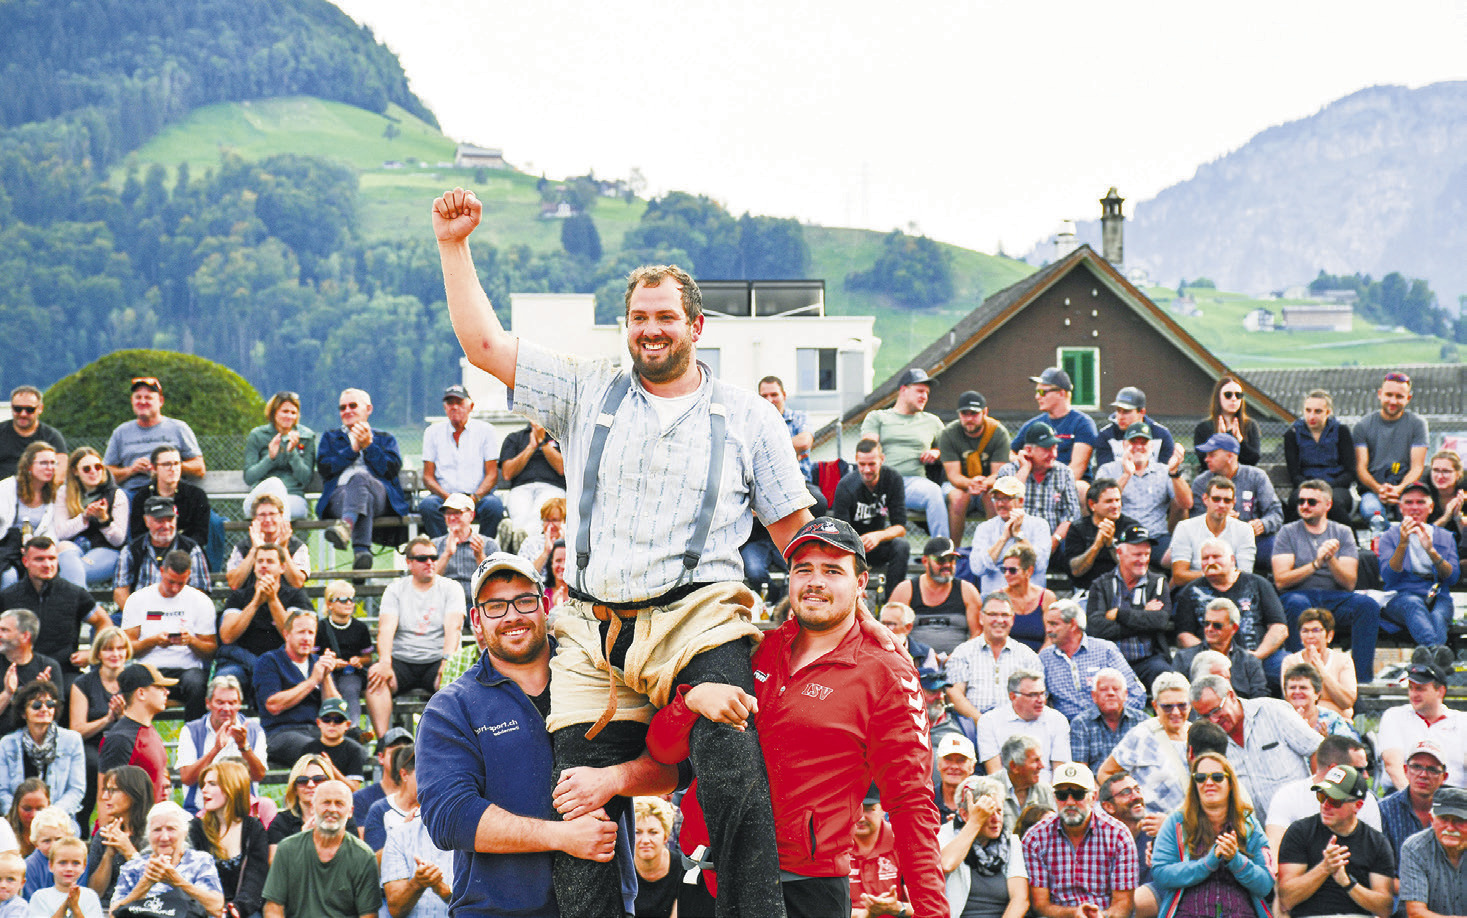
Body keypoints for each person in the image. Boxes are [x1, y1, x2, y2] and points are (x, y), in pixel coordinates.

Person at [438, 193, 816, 914]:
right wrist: (453, 245)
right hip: (592, 631)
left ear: (695, 327)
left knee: (730, 763)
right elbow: (484, 347)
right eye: (638, 318)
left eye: (665, 317)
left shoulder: (748, 415)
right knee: (580, 814)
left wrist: (839, 617)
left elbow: (795, 534)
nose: (650, 330)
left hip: (699, 619)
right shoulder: (586, 389)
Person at [646, 517, 946, 917]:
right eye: (803, 569)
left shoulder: (887, 673)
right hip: (707, 878)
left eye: (832, 570)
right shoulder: (750, 648)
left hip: (802, 890)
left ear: (861, 584)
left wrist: (933, 912)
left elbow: (911, 803)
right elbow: (663, 750)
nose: (815, 581)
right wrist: (691, 701)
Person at [416, 552, 673, 918]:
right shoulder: (452, 707)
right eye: (495, 606)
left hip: (607, 903)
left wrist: (615, 778)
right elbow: (450, 818)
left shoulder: (602, 677)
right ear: (476, 619)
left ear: (545, 604)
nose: (512, 616)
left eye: (524, 600)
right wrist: (563, 837)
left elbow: (676, 767)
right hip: (496, 912)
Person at [1272, 481, 1379, 685]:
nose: (1304, 505)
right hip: (1300, 594)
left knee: (1367, 606)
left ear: (1327, 505)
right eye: (1300, 501)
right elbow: (1281, 580)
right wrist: (1315, 564)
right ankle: (1301, 674)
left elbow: (1349, 583)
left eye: (1312, 502)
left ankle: (1359, 681)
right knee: (1295, 604)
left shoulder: (1343, 532)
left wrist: (1330, 560)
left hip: (1335, 597)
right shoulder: (1287, 532)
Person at [363, 536, 465, 737]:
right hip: (402, 660)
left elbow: (454, 628)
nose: (429, 562)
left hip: (437, 658)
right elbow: (386, 629)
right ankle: (386, 744)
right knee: (375, 679)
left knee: (453, 682)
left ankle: (447, 744)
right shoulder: (395, 589)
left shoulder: (451, 587)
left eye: (433, 557)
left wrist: (447, 660)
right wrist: (384, 662)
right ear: (409, 562)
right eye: (422, 558)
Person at [1150, 753, 1274, 918]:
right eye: (1200, 778)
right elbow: (1161, 874)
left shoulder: (1249, 825)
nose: (1208, 783)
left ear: (1230, 784)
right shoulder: (1176, 823)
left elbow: (1265, 884)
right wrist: (1206, 864)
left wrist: (1235, 860)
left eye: (1217, 777)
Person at [1188, 674, 1321, 823]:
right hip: (1252, 834)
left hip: (1302, 820)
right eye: (1205, 716)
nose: (1213, 720)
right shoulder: (1207, 737)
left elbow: (1318, 749)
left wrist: (1317, 799)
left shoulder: (1272, 711)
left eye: (1216, 711)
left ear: (1231, 696)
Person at [1020, 761, 1137, 918]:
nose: (1069, 802)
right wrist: (1074, 914)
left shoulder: (1119, 835)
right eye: (1062, 795)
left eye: (1078, 794)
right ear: (1054, 797)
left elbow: (1124, 904)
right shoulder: (1035, 838)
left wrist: (1101, 916)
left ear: (1093, 796)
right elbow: (1040, 905)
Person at [1277, 764, 1395, 917]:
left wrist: (1348, 883)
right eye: (1322, 796)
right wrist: (1324, 868)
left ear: (1357, 805)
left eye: (1335, 801)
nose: (1325, 805)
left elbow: (1385, 908)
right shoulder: (1299, 832)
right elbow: (1286, 899)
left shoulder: (1376, 842)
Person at [317, 388, 411, 570]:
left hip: (380, 497)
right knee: (361, 496)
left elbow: (390, 471)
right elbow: (325, 469)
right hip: (339, 498)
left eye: (353, 405)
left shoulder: (384, 438)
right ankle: (362, 553)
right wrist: (351, 450)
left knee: (360, 479)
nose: (347, 411)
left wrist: (369, 446)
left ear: (368, 409)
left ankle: (346, 527)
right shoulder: (330, 438)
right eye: (342, 407)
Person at [119, 550, 216, 720]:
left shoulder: (200, 601)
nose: (175, 588)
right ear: (161, 571)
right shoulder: (138, 599)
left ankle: (193, 738)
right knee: (134, 683)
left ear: (189, 576)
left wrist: (191, 641)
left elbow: (211, 649)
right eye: (170, 582)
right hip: (149, 669)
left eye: (181, 583)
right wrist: (153, 641)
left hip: (187, 670)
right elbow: (127, 649)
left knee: (197, 684)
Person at [1175, 542, 1287, 688]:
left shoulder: (1258, 583)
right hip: (1211, 662)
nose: (1210, 562)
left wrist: (1255, 656)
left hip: (1261, 657)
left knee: (1288, 670)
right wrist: (1216, 657)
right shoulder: (1191, 590)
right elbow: (1183, 636)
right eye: (1205, 558)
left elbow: (1279, 628)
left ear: (1232, 560)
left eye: (1216, 557)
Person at [262, 780, 377, 918]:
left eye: (339, 803)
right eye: (326, 802)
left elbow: (368, 915)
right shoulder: (287, 849)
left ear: (350, 811)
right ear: (312, 807)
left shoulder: (363, 856)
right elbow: (273, 907)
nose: (332, 809)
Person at [0, 538, 108, 682]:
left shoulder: (75, 594)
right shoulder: (8, 596)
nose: (47, 565)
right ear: (26, 562)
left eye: (52, 558)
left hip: (65, 673)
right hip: (17, 674)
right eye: (40, 559)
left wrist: (92, 653)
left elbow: (104, 622)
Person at [215, 545, 312, 699]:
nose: (264, 565)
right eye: (260, 561)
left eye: (270, 561)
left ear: (282, 567)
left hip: (282, 663)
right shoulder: (239, 597)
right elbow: (227, 636)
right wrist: (255, 603)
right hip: (241, 665)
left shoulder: (296, 596)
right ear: (254, 568)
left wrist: (273, 600)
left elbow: (293, 635)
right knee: (224, 680)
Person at [861, 367, 949, 538]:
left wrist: (936, 453)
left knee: (934, 492)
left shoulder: (932, 421)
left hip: (914, 483)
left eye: (927, 393)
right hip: (882, 482)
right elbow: (868, 448)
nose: (924, 396)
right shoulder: (878, 417)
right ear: (903, 390)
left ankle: (941, 551)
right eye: (920, 391)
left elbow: (950, 452)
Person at [1084, 525, 1173, 687]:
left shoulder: (1158, 582)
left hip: (1148, 661)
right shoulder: (1100, 584)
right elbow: (1096, 628)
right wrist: (1143, 616)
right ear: (1119, 553)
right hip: (1108, 661)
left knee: (1167, 677)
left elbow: (1160, 621)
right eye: (1137, 554)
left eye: (1147, 554)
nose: (1143, 560)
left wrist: (1119, 615)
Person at [1098, 673, 1194, 819]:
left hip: (1191, 823)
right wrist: (1130, 812)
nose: (1176, 712)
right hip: (1150, 826)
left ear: (1191, 704)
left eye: (1182, 705)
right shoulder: (1141, 735)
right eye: (1167, 707)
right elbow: (1105, 773)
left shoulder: (1197, 733)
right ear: (1155, 706)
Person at [1264, 735, 1381, 854]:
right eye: (1359, 770)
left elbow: (1374, 853)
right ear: (1335, 770)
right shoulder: (1288, 796)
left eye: (1368, 768)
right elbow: (1275, 850)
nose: (1366, 776)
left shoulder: (1366, 799)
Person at [254, 612, 340, 768]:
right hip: (281, 732)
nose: (306, 638)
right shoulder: (269, 661)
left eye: (311, 632)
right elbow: (273, 705)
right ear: (286, 634)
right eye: (301, 632)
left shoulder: (316, 662)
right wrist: (313, 681)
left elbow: (336, 710)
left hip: (316, 729)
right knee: (315, 751)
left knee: (353, 748)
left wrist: (326, 675)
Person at [944, 594, 1041, 730]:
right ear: (981, 618)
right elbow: (954, 694)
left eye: (1005, 615)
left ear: (1012, 619)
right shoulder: (963, 652)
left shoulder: (1027, 656)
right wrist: (982, 722)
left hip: (1017, 726)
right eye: (993, 614)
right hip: (972, 726)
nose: (999, 620)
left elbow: (1036, 698)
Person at [1380, 480, 1459, 646]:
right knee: (1413, 604)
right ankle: (1436, 653)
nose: (1414, 507)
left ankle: (1430, 662)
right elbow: (1389, 578)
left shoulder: (1444, 536)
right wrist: (1402, 544)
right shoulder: (1389, 535)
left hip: (1438, 596)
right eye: (1408, 502)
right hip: (1401, 596)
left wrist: (1431, 551)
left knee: (1437, 617)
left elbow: (1452, 578)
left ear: (1430, 508)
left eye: (1421, 502)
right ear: (1401, 508)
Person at [110, 802, 224, 918]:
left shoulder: (199, 862)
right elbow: (113, 915)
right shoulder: (133, 867)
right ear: (148, 835)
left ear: (184, 832)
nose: (164, 837)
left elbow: (216, 908)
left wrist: (178, 882)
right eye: (157, 830)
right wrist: (145, 883)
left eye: (171, 829)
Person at [419, 385, 504, 540]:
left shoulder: (486, 431)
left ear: (470, 406)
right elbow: (428, 477)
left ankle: (483, 552)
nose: (455, 407)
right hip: (444, 496)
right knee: (427, 506)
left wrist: (473, 499)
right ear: (445, 408)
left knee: (494, 506)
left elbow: (492, 474)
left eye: (459, 402)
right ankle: (444, 550)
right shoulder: (432, 433)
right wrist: (449, 499)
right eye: (450, 403)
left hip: (477, 496)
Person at [1036, 600, 1146, 719]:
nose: (1048, 630)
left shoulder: (1105, 650)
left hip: (1109, 723)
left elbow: (1137, 693)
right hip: (1067, 728)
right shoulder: (1045, 657)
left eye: (1054, 624)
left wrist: (1113, 717)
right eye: (1047, 624)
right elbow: (1038, 700)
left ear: (1073, 624)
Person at [1094, 422, 1189, 559]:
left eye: (1144, 442)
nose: (1139, 446)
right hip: (1121, 535)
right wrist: (1127, 475)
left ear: (1151, 446)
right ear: (1124, 445)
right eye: (1133, 442)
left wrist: (1174, 472)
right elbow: (1098, 504)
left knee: (1180, 559)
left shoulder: (1163, 470)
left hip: (1156, 536)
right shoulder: (1107, 469)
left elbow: (1187, 504)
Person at [831, 438, 910, 603]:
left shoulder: (893, 479)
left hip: (877, 544)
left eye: (872, 464)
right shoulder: (845, 486)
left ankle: (893, 604)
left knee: (901, 546)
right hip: (851, 548)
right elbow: (840, 534)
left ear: (882, 459)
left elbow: (900, 527)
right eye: (862, 464)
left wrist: (877, 536)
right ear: (856, 460)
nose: (866, 470)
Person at [936, 775, 1027, 918]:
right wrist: (975, 823)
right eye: (987, 813)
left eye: (999, 811)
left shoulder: (1011, 841)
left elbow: (1020, 900)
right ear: (964, 815)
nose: (996, 819)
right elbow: (946, 864)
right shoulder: (947, 833)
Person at [1377, 649, 1467, 791]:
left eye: (1420, 689)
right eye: (1411, 688)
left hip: (1451, 796)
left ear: (1440, 691)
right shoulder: (1394, 716)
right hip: (1404, 793)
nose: (1413, 694)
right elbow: (1392, 766)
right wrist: (1413, 800)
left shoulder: (1462, 721)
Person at [1189, 432, 1283, 566]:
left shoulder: (1256, 476)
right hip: (1213, 542)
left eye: (1212, 455)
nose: (1206, 459)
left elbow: (1276, 513)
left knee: (1278, 555)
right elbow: (1195, 518)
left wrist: (1262, 524)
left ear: (1230, 456)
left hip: (1255, 539)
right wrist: (1218, 519)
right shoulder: (1201, 482)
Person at [189, 760, 267, 918]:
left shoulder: (253, 828)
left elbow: (256, 877)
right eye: (203, 784)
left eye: (212, 784)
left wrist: (238, 908)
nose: (204, 790)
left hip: (243, 908)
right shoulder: (196, 828)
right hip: (204, 908)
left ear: (232, 787)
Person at [67, 628, 128, 825]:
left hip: (125, 743)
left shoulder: (133, 680)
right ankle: (83, 824)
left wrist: (124, 716)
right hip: (93, 743)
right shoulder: (83, 683)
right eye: (109, 649)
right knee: (92, 763)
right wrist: (108, 719)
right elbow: (77, 730)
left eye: (120, 648)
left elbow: (143, 720)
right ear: (98, 653)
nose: (115, 654)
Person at [994, 424, 1079, 564]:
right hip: (1015, 539)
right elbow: (1007, 504)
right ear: (1028, 450)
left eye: (1055, 448)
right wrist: (1025, 469)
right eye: (1047, 449)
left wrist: (1054, 541)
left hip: (1054, 541)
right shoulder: (1008, 472)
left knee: (1075, 549)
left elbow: (1071, 514)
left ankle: (1079, 587)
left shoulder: (1064, 472)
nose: (1053, 454)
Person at [102, 377, 205, 495]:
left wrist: (167, 465)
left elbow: (199, 467)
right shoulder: (120, 432)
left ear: (161, 401)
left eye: (148, 397)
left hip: (172, 492)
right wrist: (131, 470)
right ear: (132, 401)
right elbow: (105, 473)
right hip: (133, 493)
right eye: (138, 397)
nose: (142, 401)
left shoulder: (178, 428)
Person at [175, 676, 268, 803]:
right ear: (208, 703)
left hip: (242, 809)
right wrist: (216, 749)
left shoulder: (254, 730)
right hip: (200, 809)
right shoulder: (191, 730)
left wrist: (244, 747)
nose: (226, 708)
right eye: (220, 702)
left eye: (232, 703)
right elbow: (187, 778)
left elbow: (259, 776)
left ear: (239, 704)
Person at [1355, 370, 1428, 532]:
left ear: (1408, 398)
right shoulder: (1363, 426)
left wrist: (1399, 489)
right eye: (1389, 395)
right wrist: (1379, 489)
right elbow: (1361, 468)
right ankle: (1391, 546)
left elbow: (1417, 467)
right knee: (1372, 513)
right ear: (1380, 394)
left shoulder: (1417, 424)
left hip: (1407, 489)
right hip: (1373, 491)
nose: (1393, 401)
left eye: (1399, 396)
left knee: (1413, 514)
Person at [0, 681, 83, 822]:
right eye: (36, 705)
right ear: (23, 712)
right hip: (18, 819)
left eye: (50, 704)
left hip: (58, 819)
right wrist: (18, 816)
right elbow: (3, 791)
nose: (44, 709)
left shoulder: (72, 740)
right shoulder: (7, 744)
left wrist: (50, 817)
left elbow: (76, 789)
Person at [111, 496, 209, 612]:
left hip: (179, 613)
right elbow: (120, 591)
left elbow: (200, 592)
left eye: (170, 520)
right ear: (147, 521)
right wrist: (137, 616)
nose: (166, 526)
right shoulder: (131, 549)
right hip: (139, 612)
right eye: (160, 521)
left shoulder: (191, 549)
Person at [888, 537, 981, 655]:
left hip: (958, 663)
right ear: (925, 561)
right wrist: (921, 657)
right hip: (915, 662)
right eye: (941, 560)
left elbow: (977, 633)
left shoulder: (967, 591)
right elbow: (892, 631)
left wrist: (958, 657)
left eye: (952, 559)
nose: (947, 564)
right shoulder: (905, 590)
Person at [940, 390, 1011, 540]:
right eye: (964, 414)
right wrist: (970, 483)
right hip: (959, 484)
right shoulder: (949, 434)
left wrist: (984, 483)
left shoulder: (998, 433)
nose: (969, 418)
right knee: (958, 498)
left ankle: (994, 550)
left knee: (995, 496)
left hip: (988, 484)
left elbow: (999, 473)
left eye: (974, 414)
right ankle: (953, 553)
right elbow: (953, 475)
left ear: (985, 412)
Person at [975, 670, 1070, 781]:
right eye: (1033, 695)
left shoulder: (1057, 720)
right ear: (1013, 696)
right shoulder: (989, 721)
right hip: (1006, 791)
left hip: (1047, 791)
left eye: (1043, 693)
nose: (1041, 700)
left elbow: (1060, 771)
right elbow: (995, 772)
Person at [98, 664, 174, 802]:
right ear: (141, 693)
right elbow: (106, 798)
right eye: (159, 687)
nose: (166, 692)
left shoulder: (148, 730)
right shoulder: (121, 739)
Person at [51, 449, 127, 586]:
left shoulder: (116, 494)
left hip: (106, 550)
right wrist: (84, 517)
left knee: (72, 572)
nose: (94, 471)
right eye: (86, 469)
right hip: (74, 547)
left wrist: (104, 520)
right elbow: (60, 532)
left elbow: (118, 540)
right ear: (75, 471)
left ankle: (80, 606)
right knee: (63, 547)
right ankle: (88, 607)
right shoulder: (64, 492)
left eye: (98, 467)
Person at [1015, 367, 1098, 493]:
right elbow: (1011, 453)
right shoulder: (1034, 424)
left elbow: (1077, 469)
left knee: (1081, 488)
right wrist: (1027, 463)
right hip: (1036, 481)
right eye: (1037, 392)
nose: (1037, 397)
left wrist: (1049, 489)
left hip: (1068, 485)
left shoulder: (1082, 423)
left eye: (1043, 392)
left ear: (1061, 393)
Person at [1173, 596, 1269, 699]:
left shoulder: (1250, 662)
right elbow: (1176, 696)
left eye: (1217, 625)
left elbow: (1260, 699)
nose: (1209, 629)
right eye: (1206, 624)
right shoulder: (1184, 659)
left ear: (1234, 628)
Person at [380, 783, 454, 918]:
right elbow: (395, 909)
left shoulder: (479, 839)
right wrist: (417, 883)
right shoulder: (399, 836)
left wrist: (444, 890)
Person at [966, 476, 1049, 594]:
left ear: (1020, 501)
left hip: (1029, 600)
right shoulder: (984, 528)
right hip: (994, 601)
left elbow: (1040, 565)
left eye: (1006, 498)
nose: (1000, 504)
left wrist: (1018, 535)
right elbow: (977, 569)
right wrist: (1003, 539)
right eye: (996, 499)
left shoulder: (1040, 525)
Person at [242, 390, 316, 520]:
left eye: (293, 412)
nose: (289, 416)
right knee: (274, 483)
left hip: (293, 497)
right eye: (285, 411)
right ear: (274, 412)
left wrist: (292, 452)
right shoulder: (257, 435)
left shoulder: (306, 437)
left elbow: (306, 478)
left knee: (275, 508)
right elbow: (249, 477)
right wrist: (270, 458)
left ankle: (279, 538)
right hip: (261, 498)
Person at [1283, 389, 1355, 522]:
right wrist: (1311, 489)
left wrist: (1325, 489)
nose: (1312, 416)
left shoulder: (1341, 432)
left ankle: (1349, 541)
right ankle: (1291, 541)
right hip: (1305, 486)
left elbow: (1349, 472)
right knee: (1299, 505)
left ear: (1328, 412)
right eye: (1308, 410)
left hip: (1336, 487)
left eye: (1318, 411)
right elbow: (1294, 473)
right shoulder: (1292, 434)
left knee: (1333, 505)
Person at [1168, 478, 1255, 587]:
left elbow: (1245, 575)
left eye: (1227, 500)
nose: (1222, 505)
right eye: (1216, 499)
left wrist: (1212, 575)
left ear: (1234, 503)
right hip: (1194, 588)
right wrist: (1219, 575)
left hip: (1232, 588)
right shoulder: (1185, 527)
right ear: (1205, 499)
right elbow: (1179, 576)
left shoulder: (1245, 530)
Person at [0, 445, 65, 589]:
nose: (50, 467)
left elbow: (52, 531)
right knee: (8, 575)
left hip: (36, 550)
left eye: (53, 463)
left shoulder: (55, 494)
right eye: (44, 463)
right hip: (5, 549)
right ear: (28, 466)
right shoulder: (7, 487)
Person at [267, 754, 358, 857]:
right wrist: (302, 838)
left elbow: (355, 859)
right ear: (294, 788)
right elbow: (275, 864)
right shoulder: (281, 822)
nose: (310, 785)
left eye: (318, 779)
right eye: (302, 780)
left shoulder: (344, 819)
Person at [84, 767, 151, 906]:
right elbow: (94, 893)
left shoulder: (155, 835)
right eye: (105, 790)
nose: (105, 797)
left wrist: (128, 851)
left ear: (133, 793)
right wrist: (108, 855)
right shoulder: (104, 834)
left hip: (143, 908)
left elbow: (156, 887)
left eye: (112, 790)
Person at [1398, 784, 1467, 918]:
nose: (1450, 828)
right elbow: (1416, 913)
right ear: (1432, 819)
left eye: (1459, 820)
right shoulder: (1415, 848)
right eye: (1444, 819)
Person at [123, 446, 210, 550]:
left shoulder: (196, 495)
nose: (173, 469)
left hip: (186, 553)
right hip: (152, 552)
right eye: (167, 464)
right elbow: (138, 534)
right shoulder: (143, 496)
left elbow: (201, 534)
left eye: (176, 463)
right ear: (154, 468)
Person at [1062, 478, 1140, 589]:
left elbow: (1133, 569)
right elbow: (1075, 571)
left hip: (1122, 589)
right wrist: (1096, 546)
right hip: (1086, 590)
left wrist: (1111, 544)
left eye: (1117, 500)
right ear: (1092, 504)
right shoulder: (1077, 528)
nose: (1115, 506)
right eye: (1109, 501)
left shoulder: (1131, 527)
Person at [1379, 740, 1451, 861]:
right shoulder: (1384, 810)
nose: (1423, 775)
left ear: (1444, 777)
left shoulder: (1456, 811)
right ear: (1406, 770)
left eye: (1432, 769)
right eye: (1416, 767)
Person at [315, 580, 372, 726]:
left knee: (351, 689)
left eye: (351, 599)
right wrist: (330, 663)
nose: (348, 603)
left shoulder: (360, 628)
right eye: (342, 600)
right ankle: (329, 725)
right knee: (325, 689)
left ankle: (353, 727)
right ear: (329, 604)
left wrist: (358, 660)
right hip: (327, 673)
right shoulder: (321, 627)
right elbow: (313, 656)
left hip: (350, 672)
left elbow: (368, 657)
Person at [223, 494, 308, 591]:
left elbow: (298, 583)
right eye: (262, 515)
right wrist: (254, 549)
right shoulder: (242, 546)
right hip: (248, 599)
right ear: (254, 519)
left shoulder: (297, 546)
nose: (267, 520)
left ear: (281, 516)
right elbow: (234, 583)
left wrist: (283, 549)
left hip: (287, 601)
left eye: (272, 514)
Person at [496, 421, 567, 536]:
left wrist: (543, 442)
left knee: (538, 515)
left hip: (552, 487)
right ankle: (521, 541)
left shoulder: (561, 439)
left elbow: (562, 468)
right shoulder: (514, 438)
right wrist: (531, 447)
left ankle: (519, 542)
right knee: (520, 516)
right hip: (521, 488)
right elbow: (507, 474)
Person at [1069, 668, 1147, 773]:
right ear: (1094, 696)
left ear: (1126, 694)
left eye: (1116, 689)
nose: (1110, 693)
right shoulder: (1081, 724)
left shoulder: (1142, 722)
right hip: (1096, 787)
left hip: (1135, 786)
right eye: (1103, 689)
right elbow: (1081, 771)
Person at [0, 611, 61, 737]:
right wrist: (7, 693)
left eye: (4, 630)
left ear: (25, 636)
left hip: (37, 738)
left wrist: (43, 692)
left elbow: (55, 715)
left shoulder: (48, 667)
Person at [434, 494, 496, 606]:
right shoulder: (435, 545)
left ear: (471, 515)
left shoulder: (489, 544)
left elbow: (495, 581)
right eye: (448, 513)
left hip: (479, 602)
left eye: (457, 512)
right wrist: (447, 554)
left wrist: (479, 556)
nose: (452, 517)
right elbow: (429, 580)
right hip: (445, 603)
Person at [1193, 375, 1261, 467]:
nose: (1234, 399)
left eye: (1238, 395)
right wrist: (1220, 439)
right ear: (1218, 397)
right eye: (1228, 395)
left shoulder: (1250, 425)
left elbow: (1253, 460)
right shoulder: (1203, 428)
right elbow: (1204, 461)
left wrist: (1240, 440)